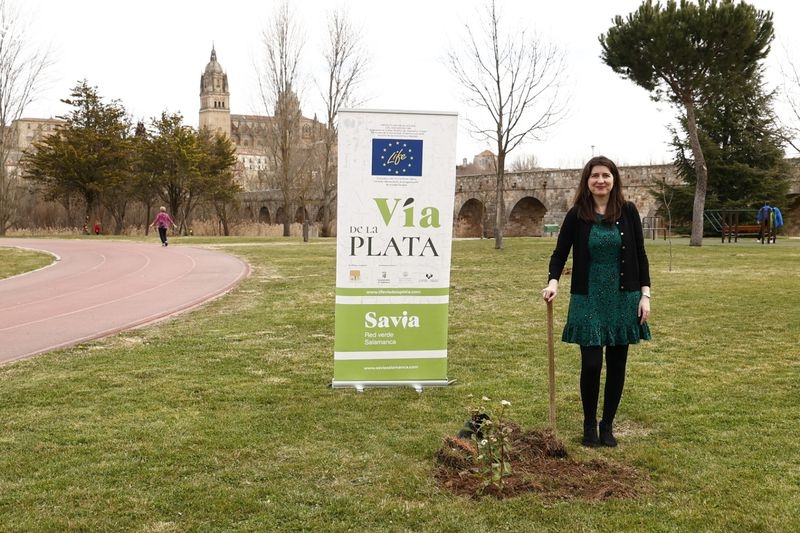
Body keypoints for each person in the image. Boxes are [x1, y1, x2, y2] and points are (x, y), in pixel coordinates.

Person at [542, 155, 651, 448]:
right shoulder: (577, 214)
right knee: (591, 363)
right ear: (587, 182)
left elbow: (640, 256)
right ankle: (589, 423)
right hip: (587, 297)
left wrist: (645, 295)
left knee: (617, 364)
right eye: (595, 176)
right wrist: (553, 282)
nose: (600, 180)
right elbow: (559, 253)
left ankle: (607, 426)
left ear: (614, 179)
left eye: (605, 175)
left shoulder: (628, 211)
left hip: (622, 297)